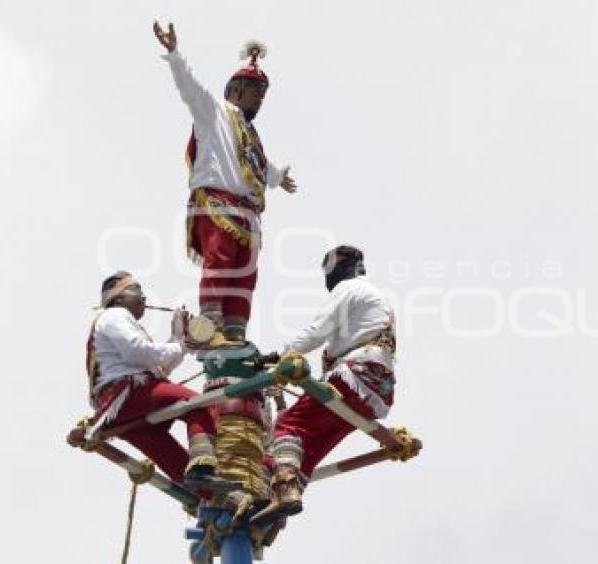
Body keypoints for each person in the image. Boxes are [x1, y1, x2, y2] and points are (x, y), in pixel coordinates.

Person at [153, 21, 297, 345]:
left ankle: (234, 330)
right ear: (235, 90)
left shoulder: (251, 135)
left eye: (263, 95)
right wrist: (175, 54)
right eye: (255, 93)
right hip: (217, 201)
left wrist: (278, 179)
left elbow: (262, 167)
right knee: (219, 262)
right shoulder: (213, 112)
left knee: (245, 274)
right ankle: (212, 321)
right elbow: (188, 88)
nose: (259, 100)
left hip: (246, 213)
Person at [257, 246, 397, 521]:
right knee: (309, 448)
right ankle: (277, 510)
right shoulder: (375, 298)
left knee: (288, 427)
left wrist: (279, 356)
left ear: (339, 269)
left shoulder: (348, 289)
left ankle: (284, 489)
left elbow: (316, 331)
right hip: (376, 391)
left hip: (354, 376)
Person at [85, 271, 219, 484]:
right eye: (137, 290)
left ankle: (208, 501)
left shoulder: (116, 322)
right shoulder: (115, 315)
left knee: (176, 461)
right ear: (118, 298)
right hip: (131, 393)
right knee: (200, 405)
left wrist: (178, 340)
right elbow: (137, 351)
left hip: (121, 409)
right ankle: (203, 470)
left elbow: (156, 368)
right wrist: (181, 345)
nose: (143, 297)